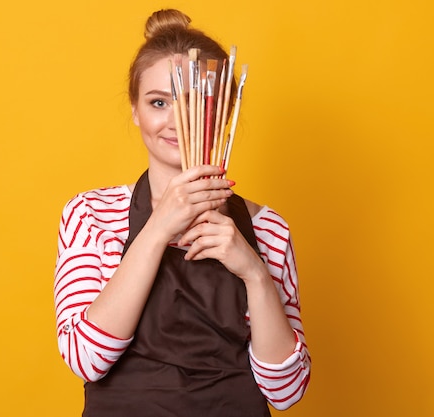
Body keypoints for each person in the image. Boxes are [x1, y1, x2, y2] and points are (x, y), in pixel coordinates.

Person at [53, 9, 310, 416]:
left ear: (225, 113)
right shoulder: (91, 215)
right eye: (159, 102)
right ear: (136, 111)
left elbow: (286, 391)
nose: (177, 120)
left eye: (198, 103)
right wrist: (157, 229)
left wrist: (254, 271)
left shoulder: (268, 229)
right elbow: (87, 359)